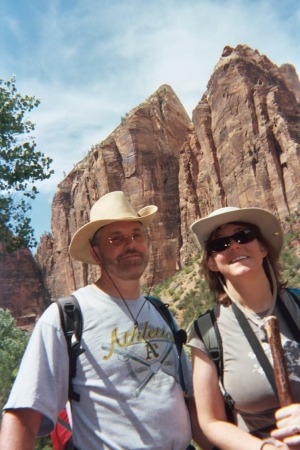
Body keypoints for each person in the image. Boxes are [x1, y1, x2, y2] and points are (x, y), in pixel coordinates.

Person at [0, 191, 202, 450]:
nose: (130, 244)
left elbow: (190, 400)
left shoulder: (161, 311)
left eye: (136, 235)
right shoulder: (67, 317)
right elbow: (23, 416)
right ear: (96, 254)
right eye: (115, 238)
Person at [187, 206, 300, 450]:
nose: (234, 246)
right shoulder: (206, 332)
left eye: (243, 236)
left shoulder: (298, 306)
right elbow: (211, 421)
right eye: (220, 244)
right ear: (212, 263)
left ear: (262, 247)